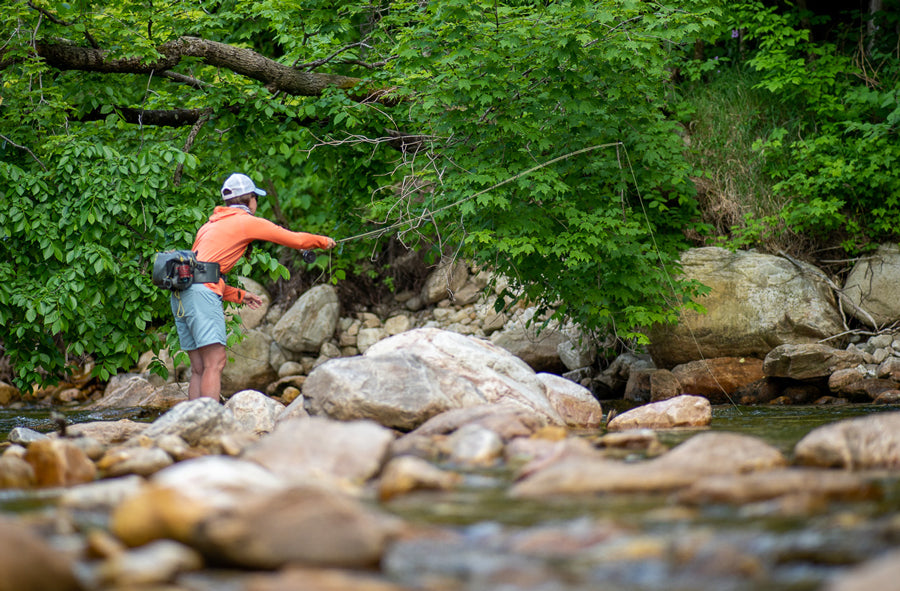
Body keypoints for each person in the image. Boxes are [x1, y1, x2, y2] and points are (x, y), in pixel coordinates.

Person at [171, 172, 336, 401]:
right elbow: (295, 240)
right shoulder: (244, 221)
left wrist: (240, 295)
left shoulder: (209, 225)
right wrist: (323, 242)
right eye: (256, 198)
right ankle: (207, 419)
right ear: (249, 199)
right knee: (215, 362)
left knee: (200, 367)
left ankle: (193, 422)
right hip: (200, 294)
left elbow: (200, 273)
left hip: (181, 294)